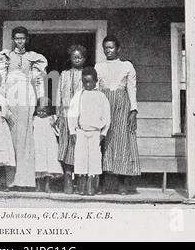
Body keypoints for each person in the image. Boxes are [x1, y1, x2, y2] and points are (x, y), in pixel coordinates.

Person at [0, 26, 47, 190]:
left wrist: (40, 99)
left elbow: (38, 81)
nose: (20, 41)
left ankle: (23, 180)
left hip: (26, 97)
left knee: (24, 137)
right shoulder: (6, 56)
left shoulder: (33, 58)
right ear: (13, 40)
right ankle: (7, 181)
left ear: (27, 39)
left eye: (22, 38)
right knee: (9, 136)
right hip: (10, 96)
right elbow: (1, 79)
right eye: (17, 38)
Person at [95, 35, 140, 195]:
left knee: (122, 142)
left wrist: (133, 111)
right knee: (103, 142)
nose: (108, 50)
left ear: (118, 49)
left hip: (122, 106)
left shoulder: (127, 66)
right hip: (104, 105)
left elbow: (131, 89)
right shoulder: (98, 67)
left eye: (111, 47)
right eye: (105, 48)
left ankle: (122, 183)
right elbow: (96, 90)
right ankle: (101, 184)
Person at [68, 67, 111, 196]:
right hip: (81, 131)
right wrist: (73, 131)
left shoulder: (101, 96)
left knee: (94, 159)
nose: (87, 84)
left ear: (95, 81)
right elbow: (72, 113)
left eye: (90, 82)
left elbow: (106, 116)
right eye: (85, 82)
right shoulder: (78, 95)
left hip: (95, 133)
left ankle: (91, 187)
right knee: (81, 158)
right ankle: (81, 186)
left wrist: (103, 133)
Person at [56, 44, 87, 193]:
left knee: (79, 147)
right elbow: (59, 96)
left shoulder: (88, 75)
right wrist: (58, 113)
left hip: (81, 117)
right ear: (70, 59)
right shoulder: (64, 74)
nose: (77, 59)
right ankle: (67, 177)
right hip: (65, 115)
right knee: (66, 146)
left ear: (84, 59)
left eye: (79, 57)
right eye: (74, 57)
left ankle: (81, 180)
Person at [33, 98, 63, 193]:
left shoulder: (51, 118)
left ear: (49, 110)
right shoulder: (34, 119)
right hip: (38, 145)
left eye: (44, 111)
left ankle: (47, 186)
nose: (41, 113)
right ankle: (38, 186)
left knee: (48, 166)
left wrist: (54, 125)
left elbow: (58, 132)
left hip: (49, 145)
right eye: (39, 111)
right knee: (38, 166)